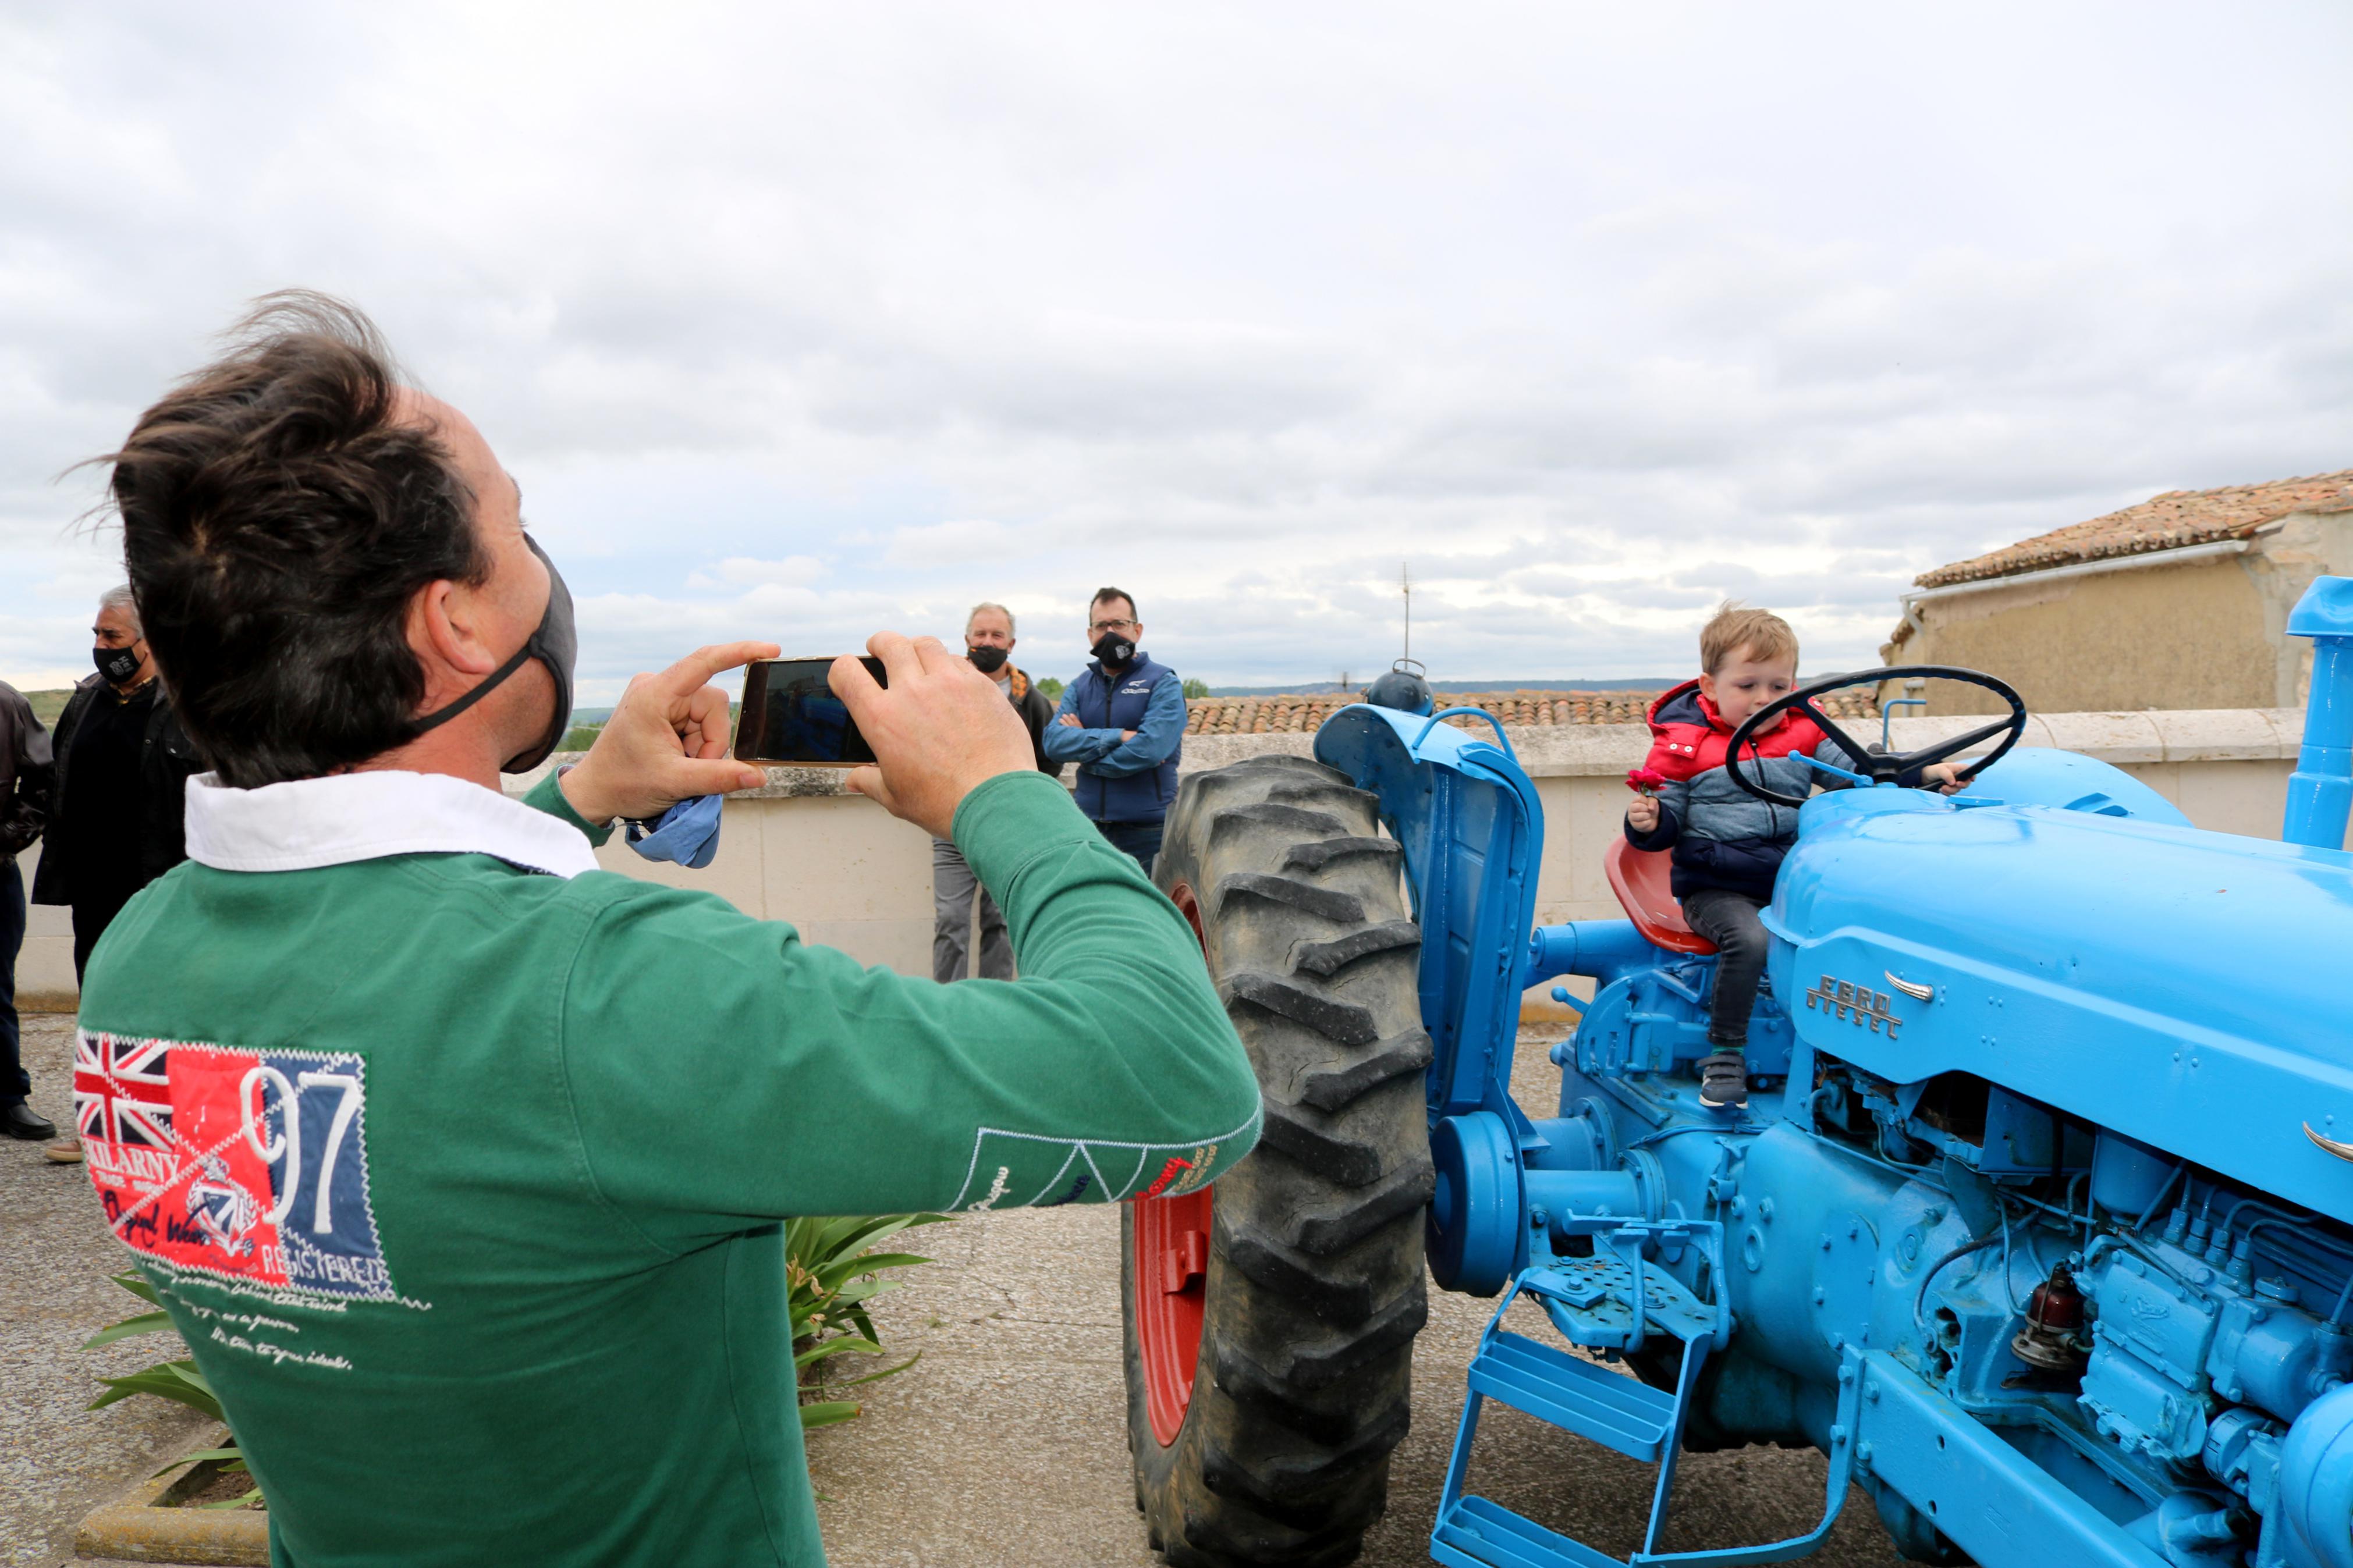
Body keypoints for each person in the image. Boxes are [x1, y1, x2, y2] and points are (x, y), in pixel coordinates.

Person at [77, 292, 1259, 1567]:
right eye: (517, 524)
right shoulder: (613, 995)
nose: (542, 559)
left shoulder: (140, 961)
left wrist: (581, 795)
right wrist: (1001, 792)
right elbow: (1177, 1082)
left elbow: (398, 955)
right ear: (454, 621)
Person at [1623, 603, 1955, 1108]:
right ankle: (1727, 1052)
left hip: (1791, 880)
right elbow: (1664, 822)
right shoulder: (1684, 746)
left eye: (1779, 687)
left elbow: (1862, 773)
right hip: (1715, 886)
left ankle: (1848, 1053)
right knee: (1751, 940)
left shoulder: (1805, 732)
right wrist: (1644, 822)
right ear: (1710, 686)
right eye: (1747, 685)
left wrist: (1924, 774)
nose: (1765, 699)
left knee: (1862, 931)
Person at [931, 601, 1061, 983]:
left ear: (1011, 643)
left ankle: (995, 1006)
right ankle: (945, 1006)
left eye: (996, 635)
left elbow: (1049, 758)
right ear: (967, 639)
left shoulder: (1031, 701)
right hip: (949, 826)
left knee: (1000, 922)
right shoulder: (942, 691)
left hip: (1009, 829)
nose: (987, 641)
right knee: (950, 921)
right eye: (981, 634)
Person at [1041, 586, 1186, 874]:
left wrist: (1087, 755)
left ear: (1137, 630)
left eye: (1119, 624)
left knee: (1148, 918)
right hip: (1088, 828)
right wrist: (1117, 736)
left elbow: (1151, 750)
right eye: (1101, 626)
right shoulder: (1081, 685)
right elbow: (1053, 743)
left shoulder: (1163, 682)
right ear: (1090, 634)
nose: (1110, 633)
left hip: (1149, 832)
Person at [0, 681, 52, 1141]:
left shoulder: (8, 704)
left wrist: (6, 839)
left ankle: (7, 1099)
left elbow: (42, 781)